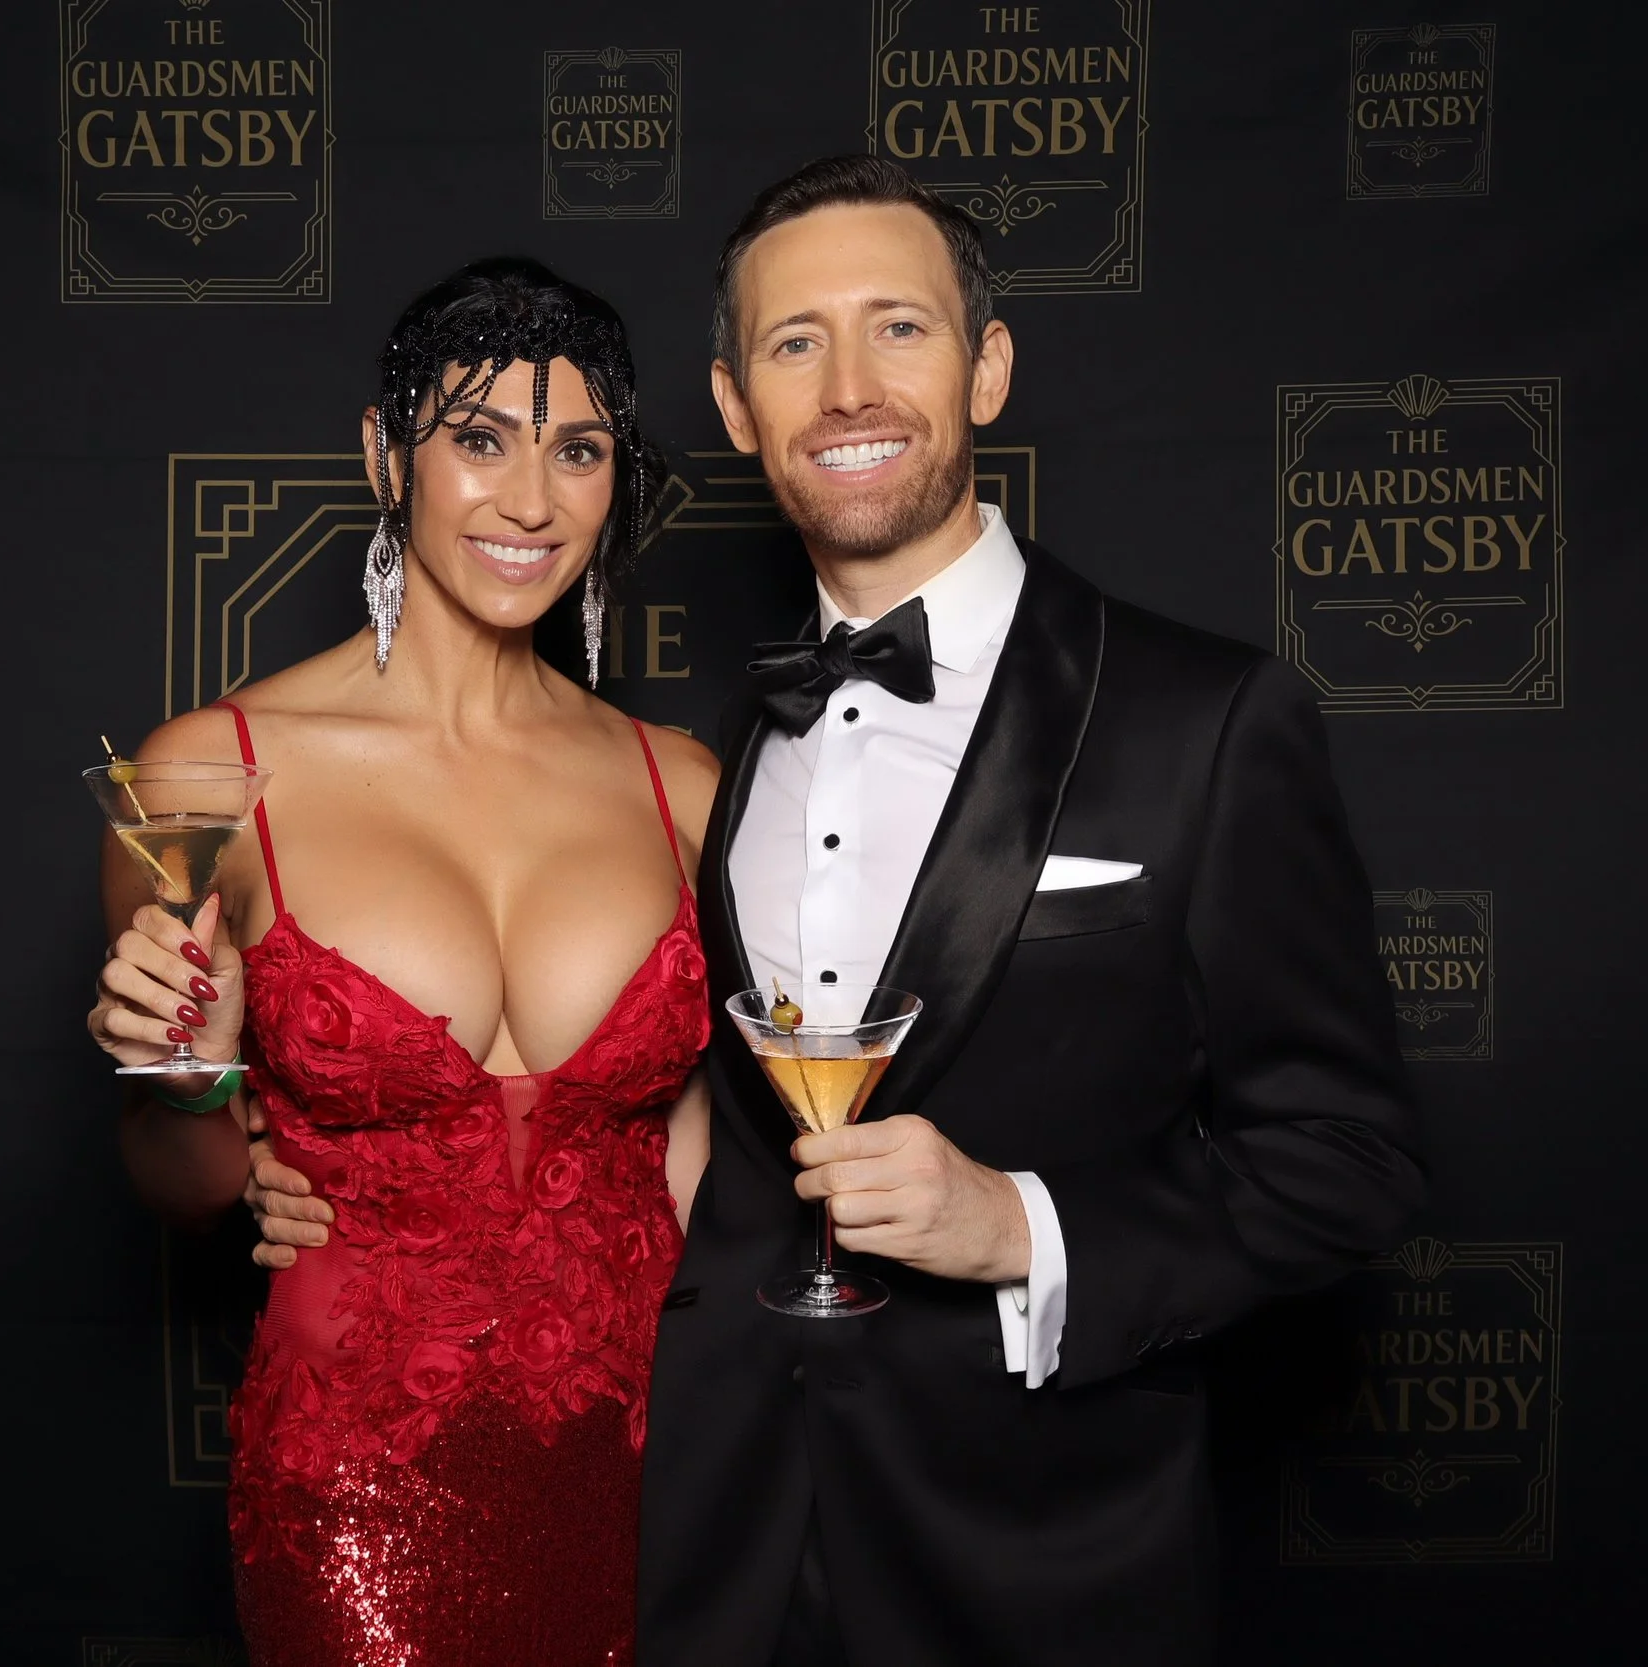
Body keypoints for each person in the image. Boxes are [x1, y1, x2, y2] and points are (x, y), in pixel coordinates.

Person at [253, 157, 1425, 1666]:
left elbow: (1348, 1161)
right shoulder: (710, 759)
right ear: (738, 408)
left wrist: (1017, 1225)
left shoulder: (1208, 720)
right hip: (709, 1544)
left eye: (900, 328)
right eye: (797, 343)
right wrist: (257, 1142)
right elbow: (611, 1108)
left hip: (1040, 1563)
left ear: (988, 367)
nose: (850, 388)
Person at [86, 257, 718, 1667]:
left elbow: (699, 1158)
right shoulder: (201, 777)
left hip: (663, 1462)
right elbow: (183, 1185)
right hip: (362, 1490)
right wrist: (191, 1083)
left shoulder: (683, 787)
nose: (531, 502)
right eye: (480, 439)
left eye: (579, 451)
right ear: (386, 455)